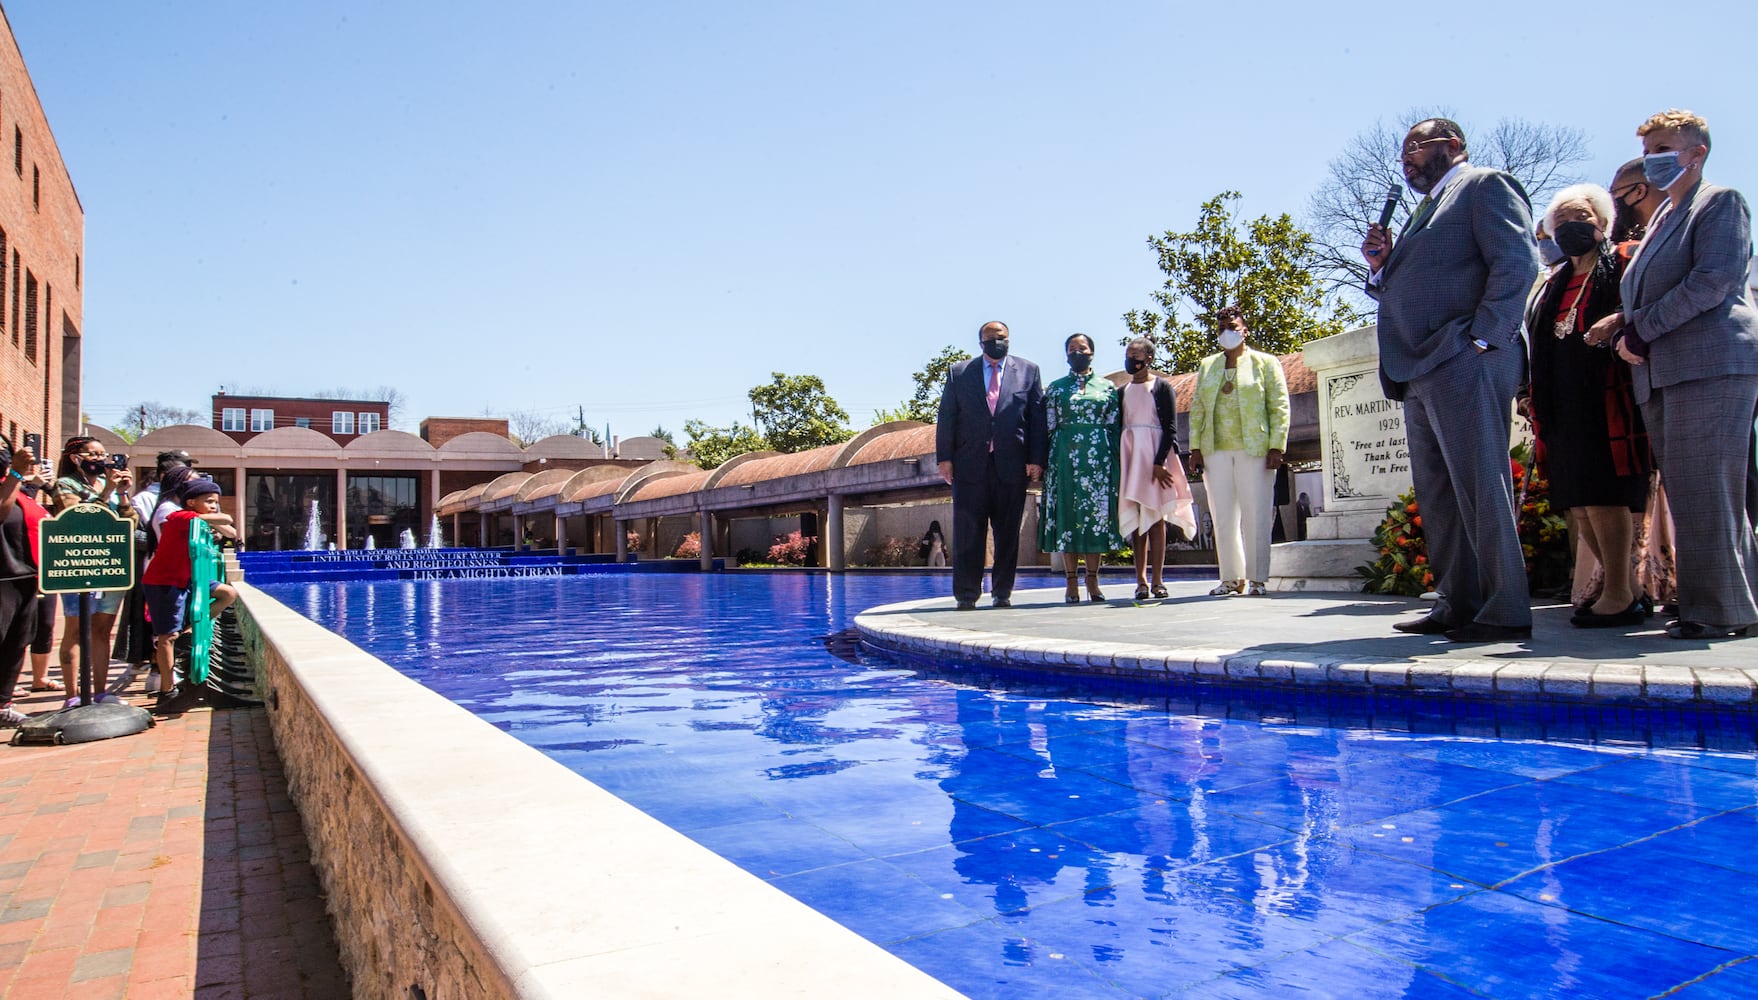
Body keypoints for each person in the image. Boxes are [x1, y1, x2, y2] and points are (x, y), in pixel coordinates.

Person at [1361, 118, 1540, 642]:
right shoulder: (1424, 210)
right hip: (1418, 367)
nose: (1408, 157)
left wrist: (1484, 338)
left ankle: (1505, 608)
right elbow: (1405, 288)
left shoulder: (1484, 186)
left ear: (1455, 145)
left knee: (1481, 483)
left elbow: (1517, 262)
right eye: (1404, 152)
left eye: (1418, 145)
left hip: (1464, 358)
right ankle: (1458, 602)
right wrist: (1382, 266)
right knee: (1438, 492)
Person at [1601, 110, 1758, 639]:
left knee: (1707, 492)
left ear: (1696, 153)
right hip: (1669, 371)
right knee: (1700, 494)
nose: (1652, 161)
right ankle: (1737, 603)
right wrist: (1623, 320)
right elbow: (1655, 287)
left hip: (1709, 363)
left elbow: (1712, 282)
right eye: (1647, 152)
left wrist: (1640, 328)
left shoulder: (1719, 203)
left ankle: (1717, 613)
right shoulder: (1666, 216)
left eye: (1664, 148)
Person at [1526, 184, 1651, 627]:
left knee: (1605, 496)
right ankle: (1628, 588)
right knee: (1577, 501)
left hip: (1609, 397)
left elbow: (1648, 305)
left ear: (1602, 221)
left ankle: (1618, 590)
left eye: (1579, 218)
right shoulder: (1553, 282)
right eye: (1559, 223)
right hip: (1562, 402)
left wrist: (1619, 319)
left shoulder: (1627, 260)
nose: (1569, 229)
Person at [936, 320, 1047, 610]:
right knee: (967, 533)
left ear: (1009, 339)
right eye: (990, 338)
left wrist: (1036, 459)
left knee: (1008, 533)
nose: (996, 341)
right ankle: (966, 594)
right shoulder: (959, 373)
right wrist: (944, 459)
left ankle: (1002, 593)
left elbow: (1037, 419)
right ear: (980, 342)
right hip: (969, 466)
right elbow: (947, 416)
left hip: (1012, 465)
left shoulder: (1029, 371)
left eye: (1001, 337)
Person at [1187, 308, 1290, 598]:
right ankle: (1231, 578)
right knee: (1222, 516)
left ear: (1244, 329)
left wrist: (1276, 446)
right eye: (1220, 328)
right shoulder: (1208, 365)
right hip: (1215, 449)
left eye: (1231, 326)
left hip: (1254, 448)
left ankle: (1257, 579)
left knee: (1256, 513)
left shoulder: (1265, 363)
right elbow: (1198, 409)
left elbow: (1279, 407)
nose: (1225, 332)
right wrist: (1195, 447)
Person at [1038, 333, 1124, 602]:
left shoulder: (1107, 387)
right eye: (1072, 349)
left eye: (1082, 348)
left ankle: (1093, 581)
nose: (1078, 352)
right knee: (1068, 517)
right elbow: (1047, 427)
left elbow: (1114, 425)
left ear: (1092, 352)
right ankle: (1071, 582)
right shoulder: (1055, 388)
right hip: (1063, 458)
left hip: (1098, 458)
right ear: (1066, 355)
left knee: (1095, 519)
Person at [50, 436, 137, 701]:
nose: (101, 459)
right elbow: (77, 520)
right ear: (76, 458)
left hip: (110, 565)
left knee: (101, 631)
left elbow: (130, 523)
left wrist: (121, 494)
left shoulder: (106, 484)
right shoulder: (65, 485)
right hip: (80, 566)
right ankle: (72, 695)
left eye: (103, 454)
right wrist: (107, 493)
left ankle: (101, 692)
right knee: (75, 632)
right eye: (94, 454)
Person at [140, 478, 238, 711]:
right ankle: (166, 690)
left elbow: (231, 532)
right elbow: (227, 520)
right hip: (164, 581)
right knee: (166, 637)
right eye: (209, 501)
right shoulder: (179, 516)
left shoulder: (198, 519)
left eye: (216, 501)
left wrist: (212, 513)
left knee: (228, 594)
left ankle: (189, 631)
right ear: (191, 502)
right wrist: (215, 517)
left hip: (188, 578)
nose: (214, 505)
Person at [109, 451, 197, 694]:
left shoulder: (175, 503)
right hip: (160, 573)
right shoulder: (152, 501)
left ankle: (164, 675)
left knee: (166, 628)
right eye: (185, 475)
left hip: (176, 574)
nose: (190, 482)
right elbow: (139, 534)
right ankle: (160, 681)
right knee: (158, 629)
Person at [1118, 338, 1195, 599]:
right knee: (1138, 518)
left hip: (1155, 459)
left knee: (1156, 518)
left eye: (1136, 355)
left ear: (1149, 358)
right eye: (1128, 355)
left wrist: (1159, 462)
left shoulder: (1162, 387)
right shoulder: (1123, 391)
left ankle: (1158, 579)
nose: (1131, 360)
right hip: (1132, 459)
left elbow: (1170, 428)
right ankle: (1139, 580)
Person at [0, 437, 52, 727]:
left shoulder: (14, 485)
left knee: (16, 642)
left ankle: (3, 704)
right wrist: (17, 474)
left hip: (24, 575)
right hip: (2, 577)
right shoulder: (10, 483)